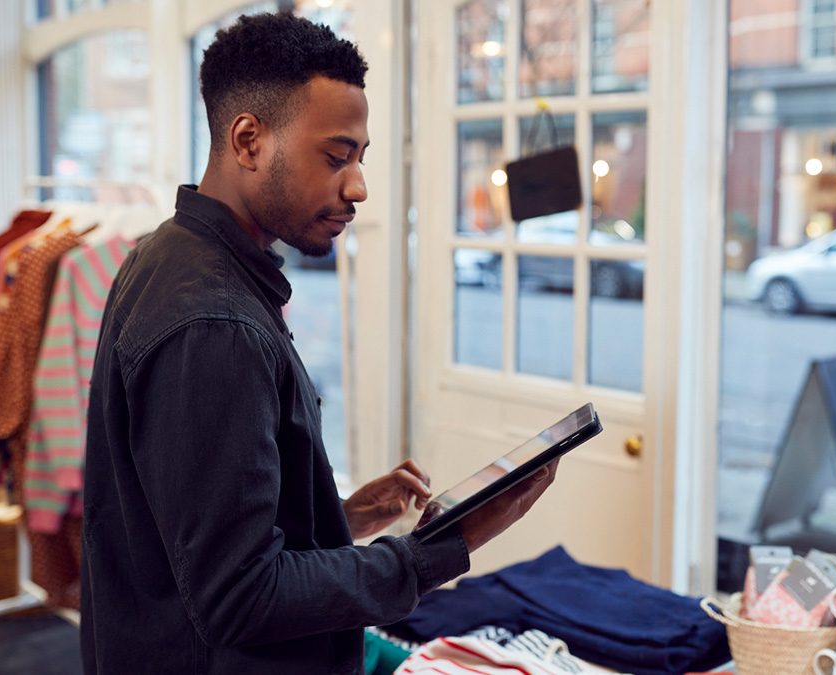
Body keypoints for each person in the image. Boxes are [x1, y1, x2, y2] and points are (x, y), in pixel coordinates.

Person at [80, 12, 558, 675]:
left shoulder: (167, 255)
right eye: (336, 157)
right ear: (248, 139)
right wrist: (446, 547)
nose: (358, 187)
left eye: (360, 158)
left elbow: (193, 524)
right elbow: (239, 597)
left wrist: (338, 517)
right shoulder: (215, 322)